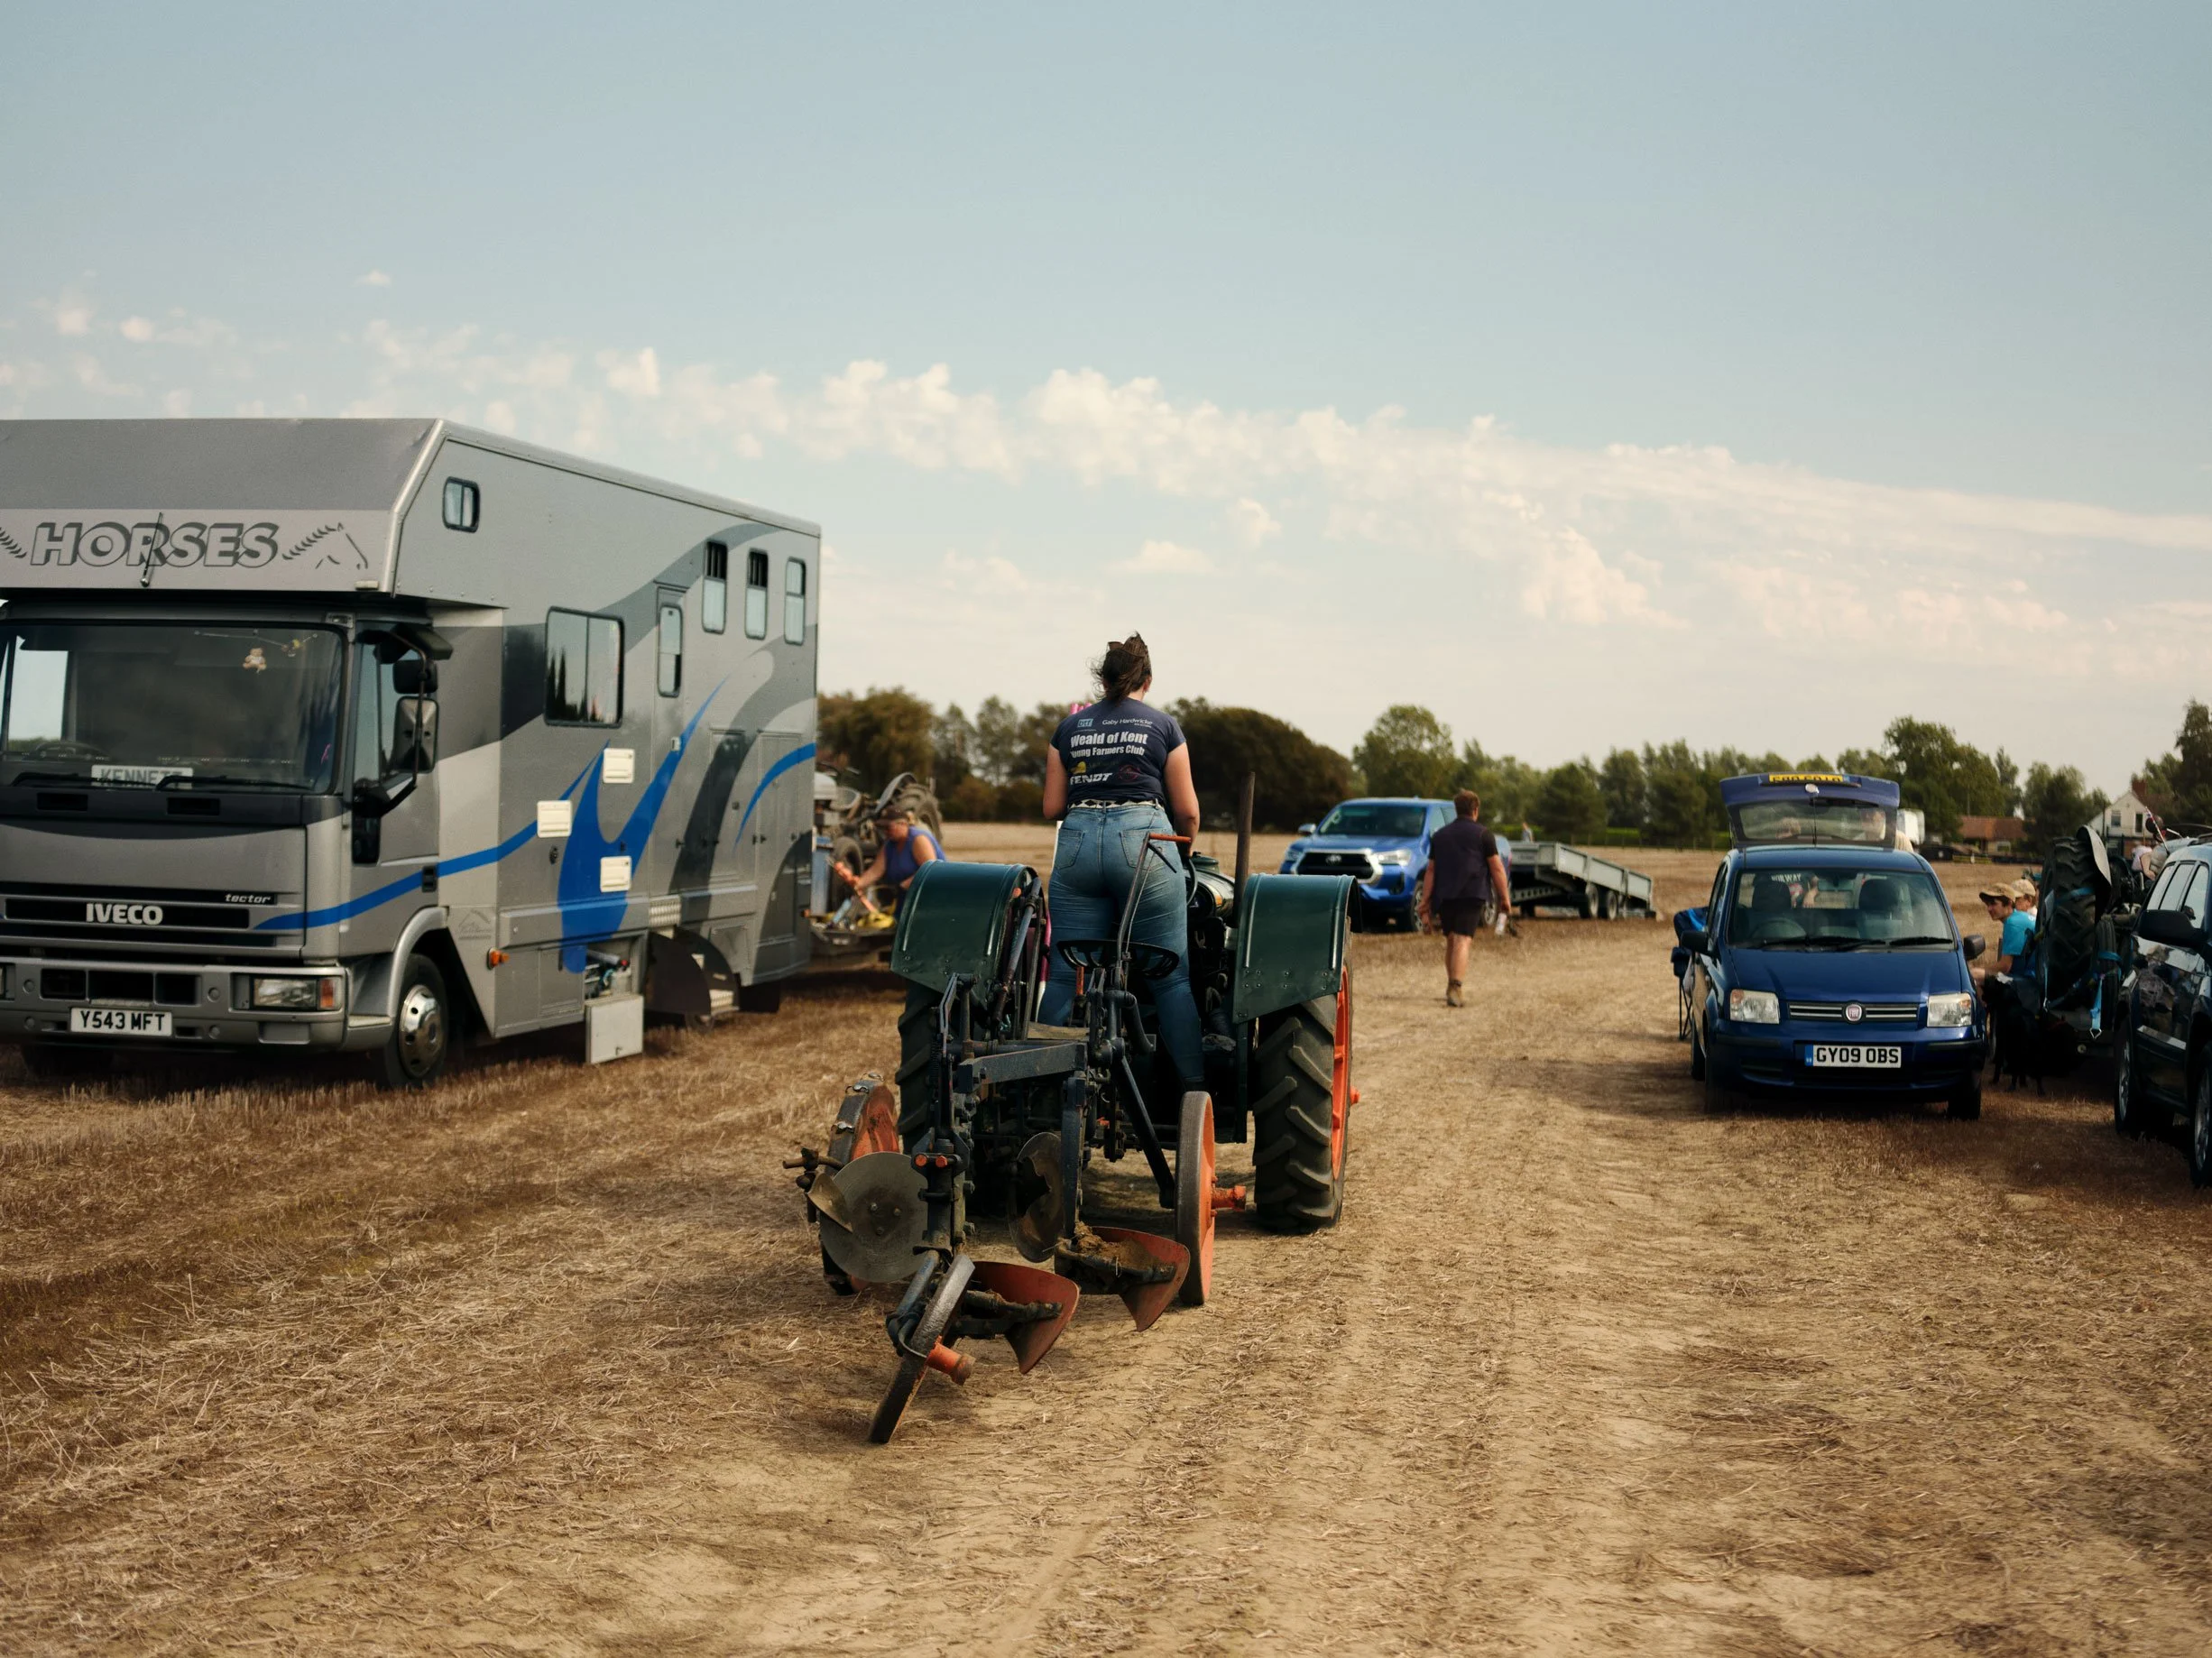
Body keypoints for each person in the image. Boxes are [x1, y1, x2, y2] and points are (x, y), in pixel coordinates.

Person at [1037, 633, 1205, 1088]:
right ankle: (1193, 1093)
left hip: (1076, 842)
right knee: (1171, 979)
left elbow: (1053, 807)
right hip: (1144, 843)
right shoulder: (1164, 727)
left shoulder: (1068, 730)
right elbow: (1187, 812)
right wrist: (1182, 852)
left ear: (1103, 680)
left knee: (1064, 973)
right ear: (1146, 680)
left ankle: (1040, 1087)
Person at [1419, 789, 1510, 1008]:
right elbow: (1497, 868)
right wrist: (1504, 898)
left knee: (1451, 938)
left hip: (1445, 894)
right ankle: (1456, 987)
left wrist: (1425, 901)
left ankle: (1451, 984)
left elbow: (1431, 870)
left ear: (1456, 810)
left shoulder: (1440, 836)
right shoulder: (1483, 835)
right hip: (1472, 893)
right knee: (1462, 940)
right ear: (1475, 810)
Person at [840, 808, 940, 909]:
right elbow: (876, 871)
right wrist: (858, 884)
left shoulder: (918, 840)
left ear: (903, 824)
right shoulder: (890, 844)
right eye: (881, 827)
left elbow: (930, 871)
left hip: (928, 899)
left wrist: (902, 886)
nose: (885, 831)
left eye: (888, 827)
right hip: (905, 899)